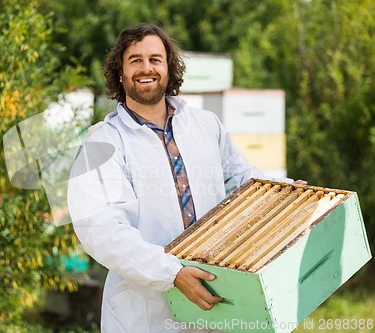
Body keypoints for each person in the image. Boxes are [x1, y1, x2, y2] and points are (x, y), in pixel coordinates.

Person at [67, 22, 300, 333]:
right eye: (135, 60)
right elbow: (102, 230)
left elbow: (241, 180)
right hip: (146, 314)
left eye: (155, 59)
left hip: (219, 295)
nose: (145, 67)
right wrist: (172, 273)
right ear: (120, 73)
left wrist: (284, 194)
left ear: (169, 67)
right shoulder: (101, 144)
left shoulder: (205, 124)